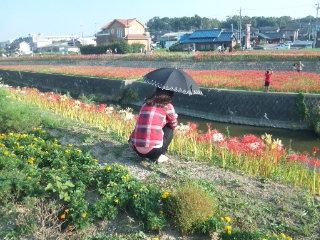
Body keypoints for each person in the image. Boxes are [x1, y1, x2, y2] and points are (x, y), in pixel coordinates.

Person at [129, 88, 178, 163]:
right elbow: (174, 125)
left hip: (137, 150)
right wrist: (173, 117)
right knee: (169, 127)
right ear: (170, 95)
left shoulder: (145, 104)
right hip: (153, 153)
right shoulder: (168, 106)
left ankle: (154, 152)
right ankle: (159, 155)